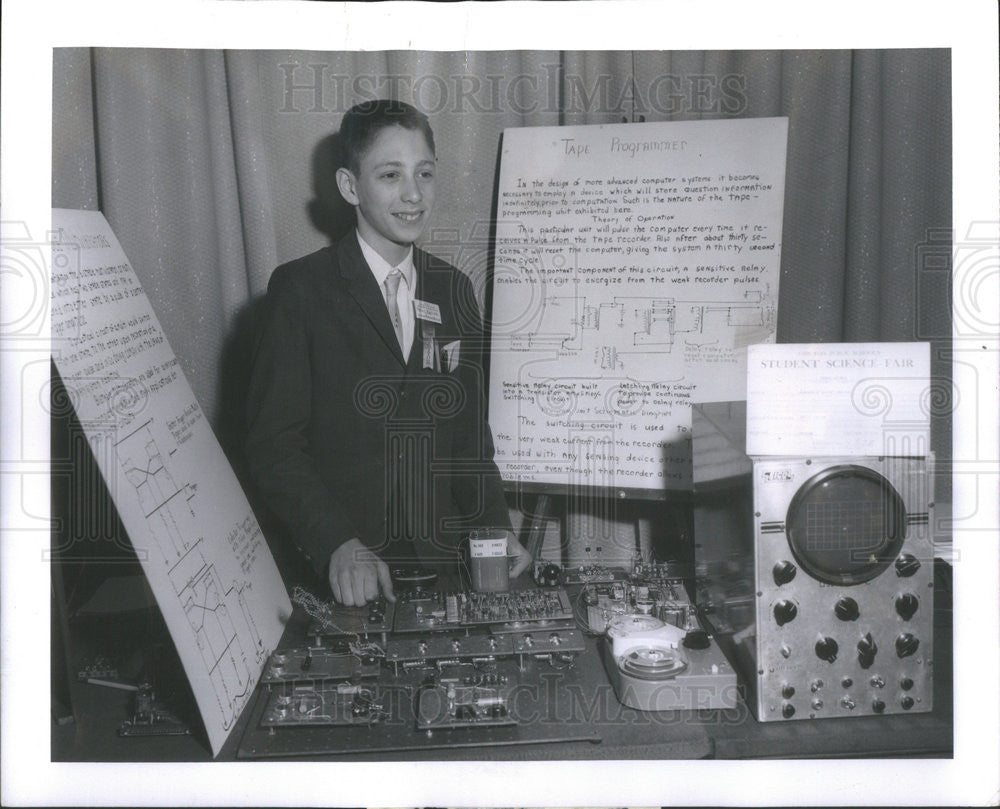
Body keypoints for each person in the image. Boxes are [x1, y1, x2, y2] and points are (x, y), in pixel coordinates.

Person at [245, 99, 531, 606]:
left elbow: (469, 439)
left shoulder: (455, 289)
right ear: (350, 186)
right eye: (390, 175)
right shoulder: (300, 291)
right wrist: (335, 542)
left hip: (443, 566)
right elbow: (274, 448)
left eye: (424, 172)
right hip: (345, 571)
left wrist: (494, 527)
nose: (414, 194)